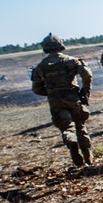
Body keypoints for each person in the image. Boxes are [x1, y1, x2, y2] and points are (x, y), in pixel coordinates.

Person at [31, 33, 94, 168]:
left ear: (46, 48)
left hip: (56, 101)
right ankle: (88, 158)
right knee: (80, 127)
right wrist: (85, 89)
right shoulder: (71, 60)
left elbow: (36, 88)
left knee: (67, 127)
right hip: (73, 97)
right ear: (60, 45)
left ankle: (71, 141)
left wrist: (50, 93)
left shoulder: (41, 66)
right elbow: (87, 74)